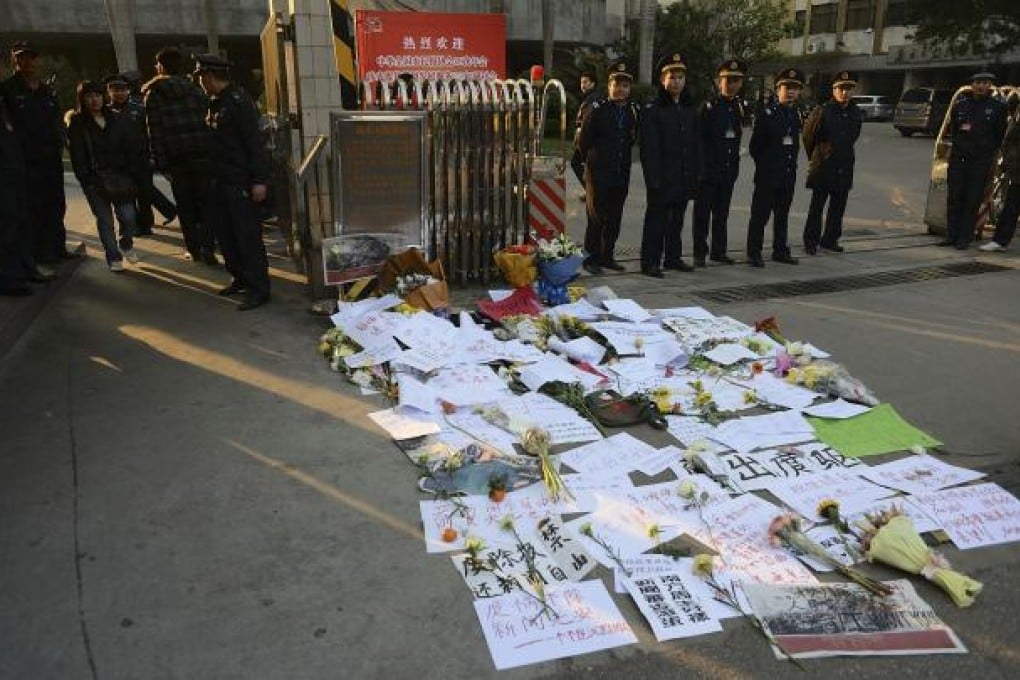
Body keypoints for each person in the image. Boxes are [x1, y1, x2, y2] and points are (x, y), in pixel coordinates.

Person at [194, 54, 271, 311]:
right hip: (219, 181)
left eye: (202, 77)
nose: (201, 82)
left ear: (211, 76)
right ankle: (239, 278)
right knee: (226, 235)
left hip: (240, 182)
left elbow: (254, 143)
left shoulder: (239, 102)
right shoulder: (215, 103)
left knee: (247, 238)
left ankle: (259, 289)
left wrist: (259, 180)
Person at [1, 41, 75, 266]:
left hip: (50, 157)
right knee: (33, 207)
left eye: (31, 57)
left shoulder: (46, 89)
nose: (27, 62)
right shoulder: (7, 89)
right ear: (14, 60)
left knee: (56, 203)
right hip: (24, 160)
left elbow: (56, 121)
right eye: (21, 57)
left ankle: (57, 247)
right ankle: (39, 253)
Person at [143, 46, 217, 264]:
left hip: (177, 160)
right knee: (205, 204)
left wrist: (161, 163)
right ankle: (208, 247)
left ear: (161, 67)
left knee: (186, 207)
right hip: (202, 156)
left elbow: (154, 131)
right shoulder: (196, 90)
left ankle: (194, 249)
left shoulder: (154, 94)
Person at [66, 80, 143, 272]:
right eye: (89, 96)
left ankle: (126, 244)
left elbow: (129, 146)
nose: (94, 100)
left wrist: (131, 172)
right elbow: (77, 154)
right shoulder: (77, 122)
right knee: (105, 221)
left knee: (129, 217)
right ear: (82, 99)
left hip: (120, 176)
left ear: (104, 97)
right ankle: (113, 257)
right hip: (94, 179)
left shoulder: (116, 118)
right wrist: (85, 179)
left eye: (98, 95)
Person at [639, 52, 699, 278]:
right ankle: (650, 261)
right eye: (672, 77)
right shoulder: (653, 109)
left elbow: (695, 145)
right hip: (662, 177)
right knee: (656, 222)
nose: (676, 81)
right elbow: (650, 150)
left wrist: (695, 175)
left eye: (680, 77)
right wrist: (653, 179)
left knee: (677, 221)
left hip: (682, 176)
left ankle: (673, 258)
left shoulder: (688, 109)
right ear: (663, 80)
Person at [576, 60, 639, 275]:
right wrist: (591, 165)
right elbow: (583, 142)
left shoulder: (631, 111)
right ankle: (590, 258)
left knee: (615, 216)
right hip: (598, 171)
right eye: (616, 84)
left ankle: (607, 256)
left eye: (625, 85)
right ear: (609, 86)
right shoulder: (597, 109)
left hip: (621, 172)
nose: (620, 89)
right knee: (596, 217)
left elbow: (630, 140)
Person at [941, 71, 1007, 250]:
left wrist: (988, 153)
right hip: (959, 158)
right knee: (954, 198)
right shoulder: (960, 105)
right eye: (978, 82)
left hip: (980, 161)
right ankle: (951, 235)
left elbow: (999, 134)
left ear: (990, 85)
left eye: (985, 82)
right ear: (972, 84)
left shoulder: (998, 107)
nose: (981, 86)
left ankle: (964, 237)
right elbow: (954, 130)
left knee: (972, 199)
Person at [746, 68, 805, 268]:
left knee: (782, 216)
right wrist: (767, 166)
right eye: (787, 87)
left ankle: (780, 250)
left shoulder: (795, 114)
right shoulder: (767, 114)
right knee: (760, 216)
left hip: (787, 175)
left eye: (795, 88)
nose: (791, 92)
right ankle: (754, 252)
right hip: (768, 176)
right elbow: (755, 147)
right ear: (778, 89)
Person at [105, 73, 177, 234]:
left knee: (144, 194)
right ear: (109, 92)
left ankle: (146, 225)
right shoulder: (106, 113)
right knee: (126, 195)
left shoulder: (139, 110)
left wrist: (153, 155)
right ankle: (133, 224)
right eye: (115, 90)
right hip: (119, 163)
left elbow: (152, 133)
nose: (119, 93)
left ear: (128, 91)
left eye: (122, 89)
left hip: (142, 159)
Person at [801, 71, 863, 254]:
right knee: (817, 207)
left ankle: (830, 239)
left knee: (838, 207)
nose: (845, 93)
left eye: (849, 89)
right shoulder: (823, 111)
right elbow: (808, 137)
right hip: (824, 166)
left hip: (844, 165)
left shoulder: (855, 112)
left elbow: (854, 136)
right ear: (834, 90)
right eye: (841, 89)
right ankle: (811, 242)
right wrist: (818, 155)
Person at [692, 58, 747, 268]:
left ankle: (718, 251)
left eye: (736, 81)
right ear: (719, 81)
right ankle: (699, 252)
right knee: (702, 215)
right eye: (728, 80)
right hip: (708, 171)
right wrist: (700, 170)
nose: (732, 84)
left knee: (722, 214)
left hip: (727, 170)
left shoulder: (738, 107)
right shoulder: (708, 107)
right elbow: (698, 141)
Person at [980, 92, 1020, 252]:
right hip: (1015, 171)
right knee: (1010, 206)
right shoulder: (1014, 119)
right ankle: (1000, 240)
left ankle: (1000, 240)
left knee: (1011, 205)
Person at [570, 70, 598, 196]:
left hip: (587, 140)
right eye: (582, 82)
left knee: (578, 164)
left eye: (586, 82)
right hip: (583, 140)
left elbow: (588, 122)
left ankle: (592, 191)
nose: (583, 85)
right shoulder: (588, 98)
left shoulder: (593, 99)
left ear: (593, 84)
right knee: (584, 166)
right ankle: (590, 191)